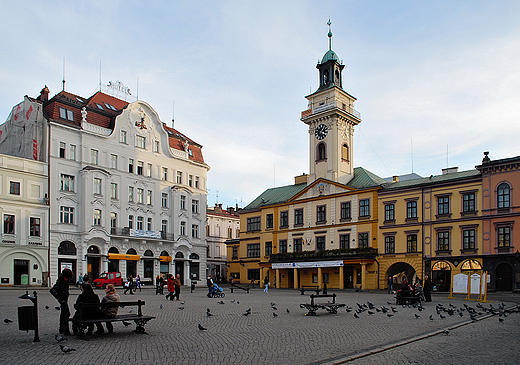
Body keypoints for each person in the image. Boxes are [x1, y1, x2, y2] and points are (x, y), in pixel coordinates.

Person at [57, 268, 73, 335]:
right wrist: (61, 299)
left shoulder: (65, 280)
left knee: (63, 313)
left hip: (64, 299)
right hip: (63, 300)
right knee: (66, 313)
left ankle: (62, 329)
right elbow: (60, 291)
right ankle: (65, 329)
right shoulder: (62, 281)